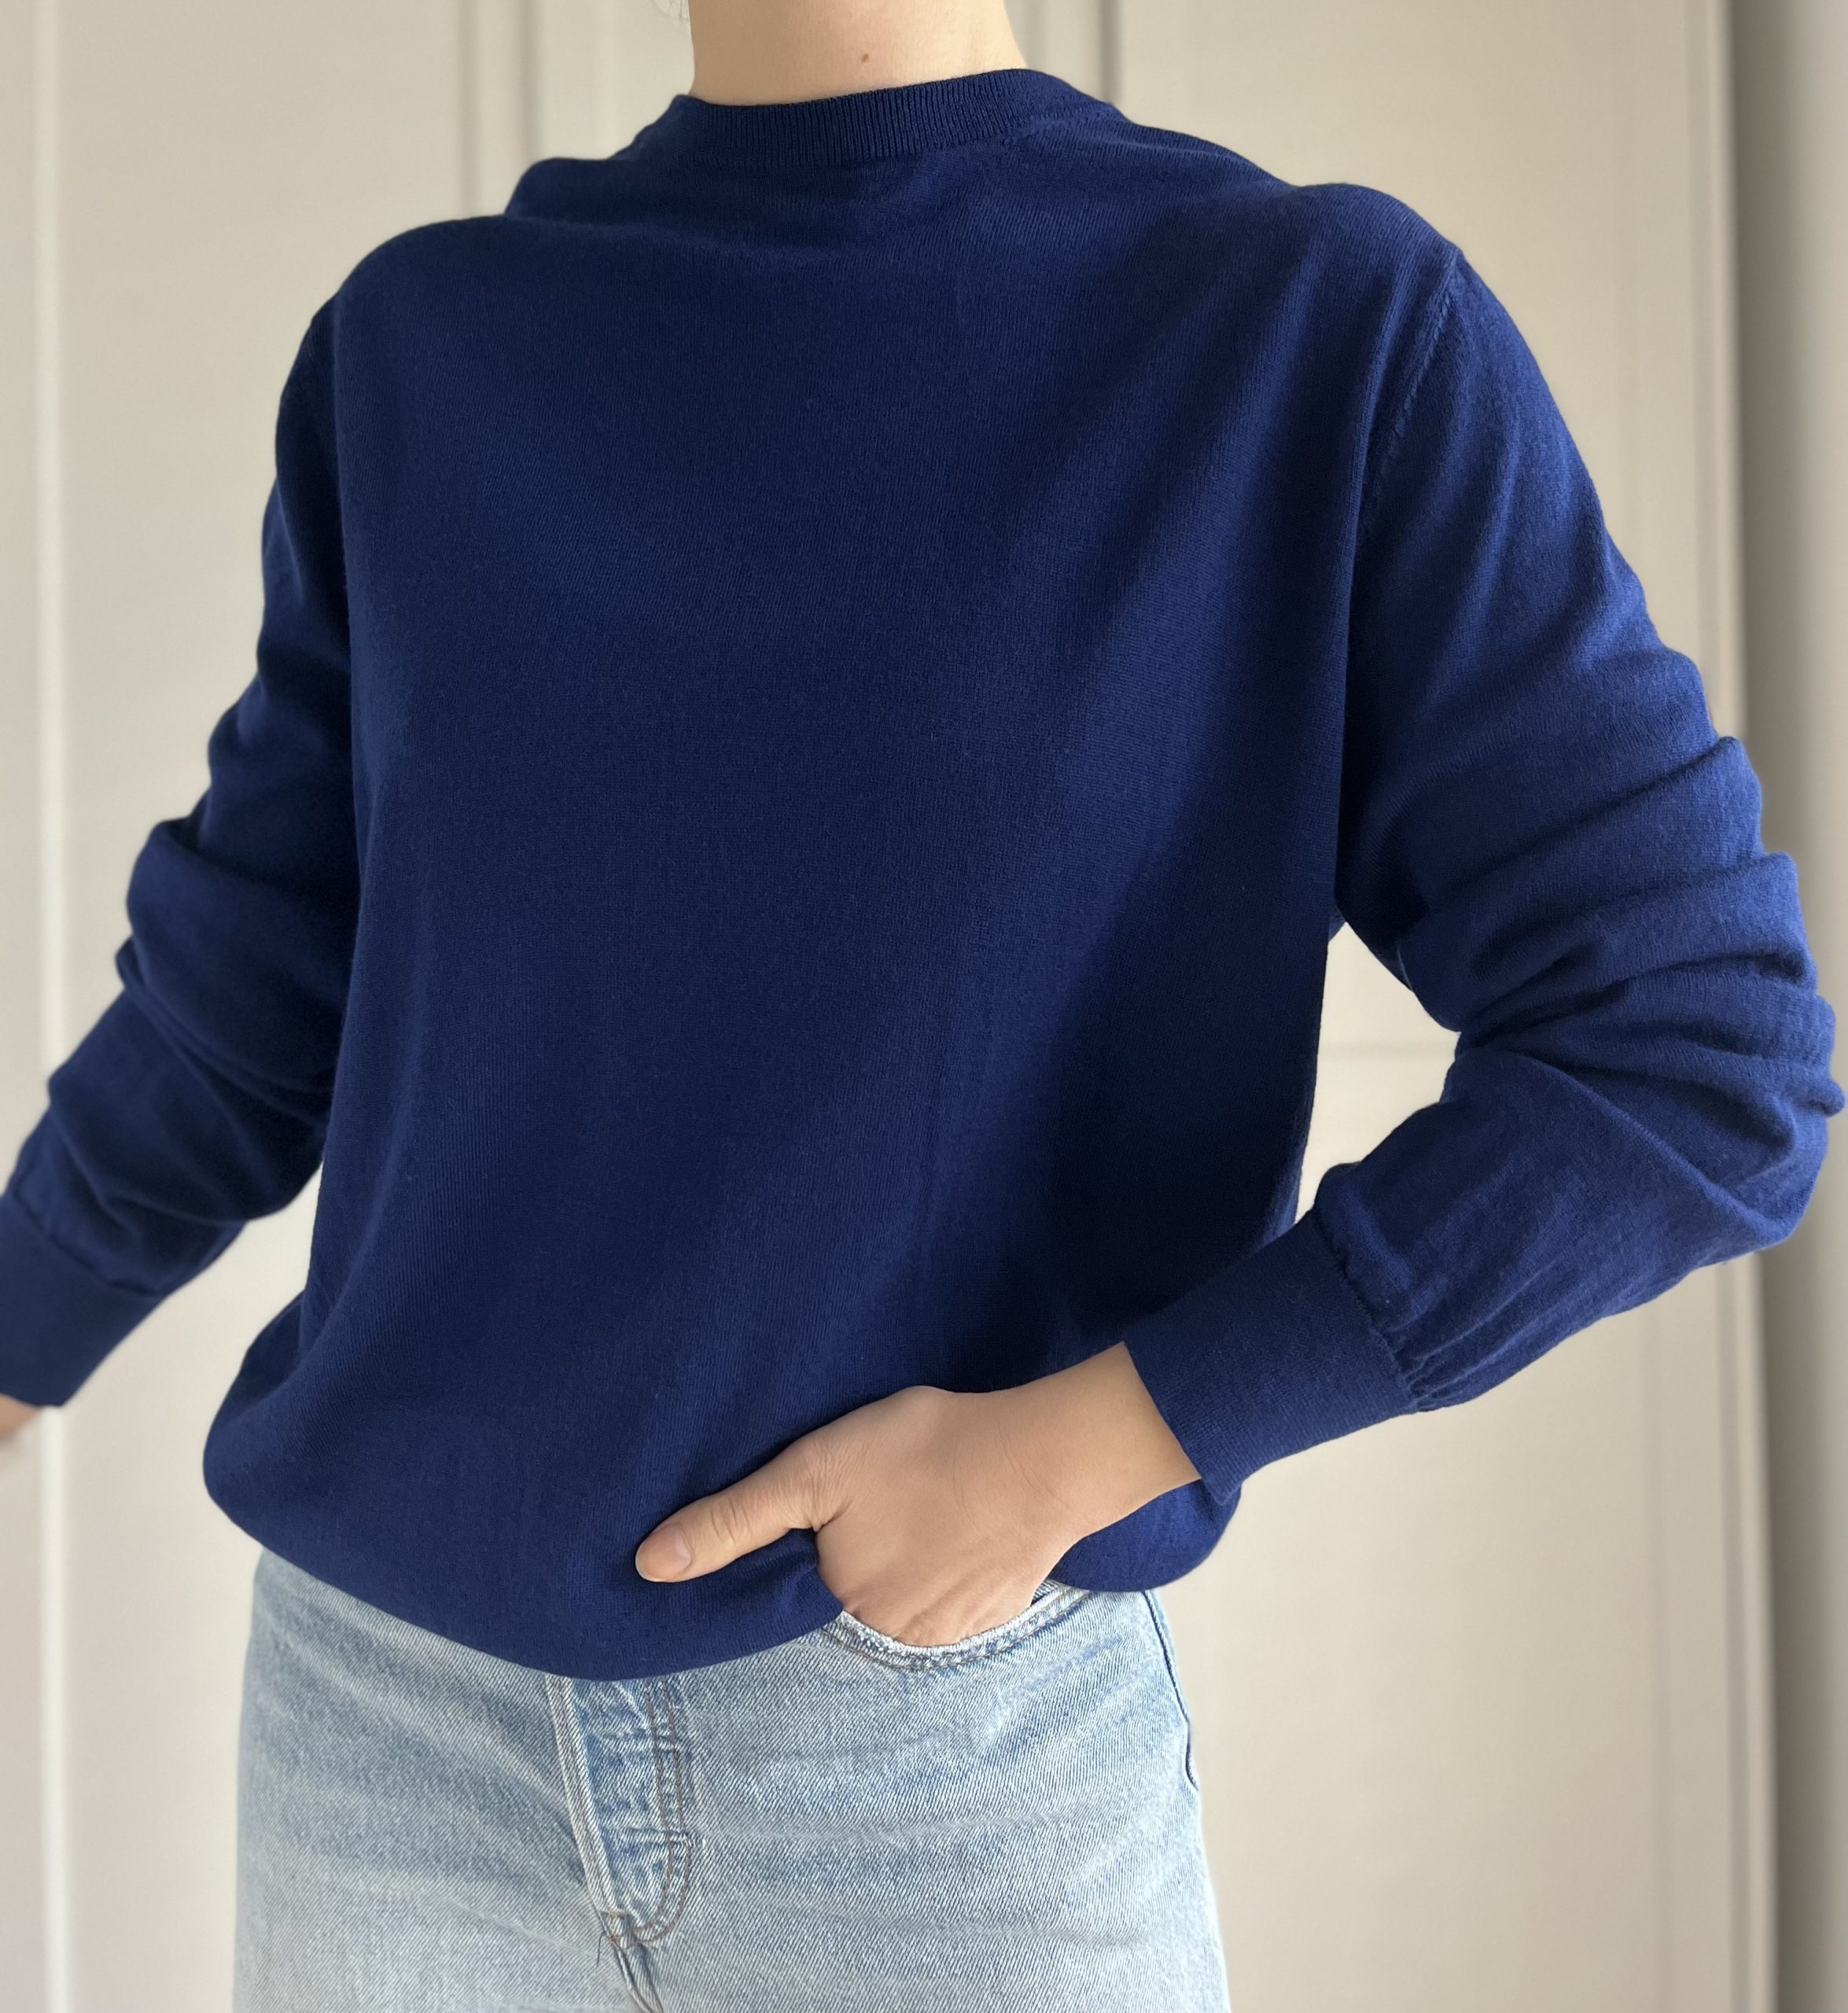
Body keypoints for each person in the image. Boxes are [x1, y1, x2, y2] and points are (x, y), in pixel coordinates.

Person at [1, 0, 1839, 2006]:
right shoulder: (421, 350)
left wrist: (1090, 1445)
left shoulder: (1306, 329)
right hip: (384, 1744)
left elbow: (1691, 1048)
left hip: (945, 1765)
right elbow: (246, 1001)